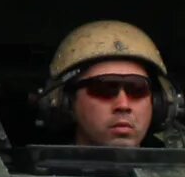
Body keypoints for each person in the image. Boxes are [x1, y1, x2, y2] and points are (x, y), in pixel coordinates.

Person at [40, 21, 175, 149]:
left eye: (137, 89)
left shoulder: (178, 171)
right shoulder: (35, 171)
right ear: (66, 102)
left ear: (158, 103)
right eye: (104, 88)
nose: (123, 105)